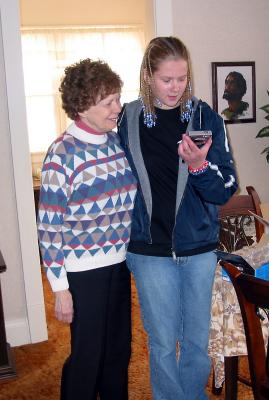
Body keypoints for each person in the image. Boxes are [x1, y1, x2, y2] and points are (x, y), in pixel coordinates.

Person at [117, 36, 238, 400]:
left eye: (182, 79)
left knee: (197, 341)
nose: (175, 87)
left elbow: (226, 188)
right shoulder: (127, 118)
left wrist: (200, 167)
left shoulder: (206, 118)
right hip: (148, 249)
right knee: (162, 341)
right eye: (167, 79)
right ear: (148, 76)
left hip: (198, 248)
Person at [37, 58, 137, 400]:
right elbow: (49, 229)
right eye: (107, 102)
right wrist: (60, 289)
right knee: (88, 357)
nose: (117, 108)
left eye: (117, 98)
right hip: (83, 273)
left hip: (119, 265)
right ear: (82, 106)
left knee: (118, 352)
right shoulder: (61, 154)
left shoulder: (114, 142)